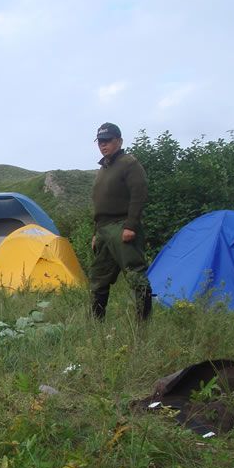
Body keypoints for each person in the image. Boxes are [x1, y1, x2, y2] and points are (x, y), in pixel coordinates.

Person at [89, 122, 152, 322]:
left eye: (108, 140)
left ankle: (143, 324)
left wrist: (131, 225)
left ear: (119, 141)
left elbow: (139, 194)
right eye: (100, 141)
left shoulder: (129, 163)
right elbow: (100, 205)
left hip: (122, 225)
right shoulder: (103, 169)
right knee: (99, 277)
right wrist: (95, 232)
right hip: (103, 230)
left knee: (135, 275)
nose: (103, 145)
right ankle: (96, 322)